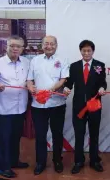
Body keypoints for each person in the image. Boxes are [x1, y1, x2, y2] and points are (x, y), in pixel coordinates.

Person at [0, 36, 30, 178]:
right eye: (12, 46)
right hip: (4, 109)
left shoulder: (27, 62)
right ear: (7, 47)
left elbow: (29, 80)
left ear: (23, 48)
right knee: (4, 138)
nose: (15, 49)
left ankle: (14, 161)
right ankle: (4, 167)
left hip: (20, 107)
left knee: (16, 137)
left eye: (18, 46)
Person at [27, 35, 70, 175]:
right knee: (40, 135)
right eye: (46, 44)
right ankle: (40, 162)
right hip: (38, 106)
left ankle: (57, 160)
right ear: (42, 45)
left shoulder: (62, 60)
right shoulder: (34, 60)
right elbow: (29, 80)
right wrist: (30, 87)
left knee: (57, 134)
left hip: (57, 104)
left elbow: (63, 79)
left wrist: (50, 90)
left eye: (52, 44)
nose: (49, 46)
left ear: (56, 45)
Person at [63, 40, 107, 174]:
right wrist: (66, 88)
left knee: (94, 134)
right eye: (84, 50)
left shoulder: (99, 65)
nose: (86, 53)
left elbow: (103, 82)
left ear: (93, 51)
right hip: (79, 107)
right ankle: (79, 161)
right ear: (80, 51)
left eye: (89, 51)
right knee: (79, 134)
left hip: (94, 105)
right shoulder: (74, 66)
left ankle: (94, 160)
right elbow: (69, 83)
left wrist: (102, 88)